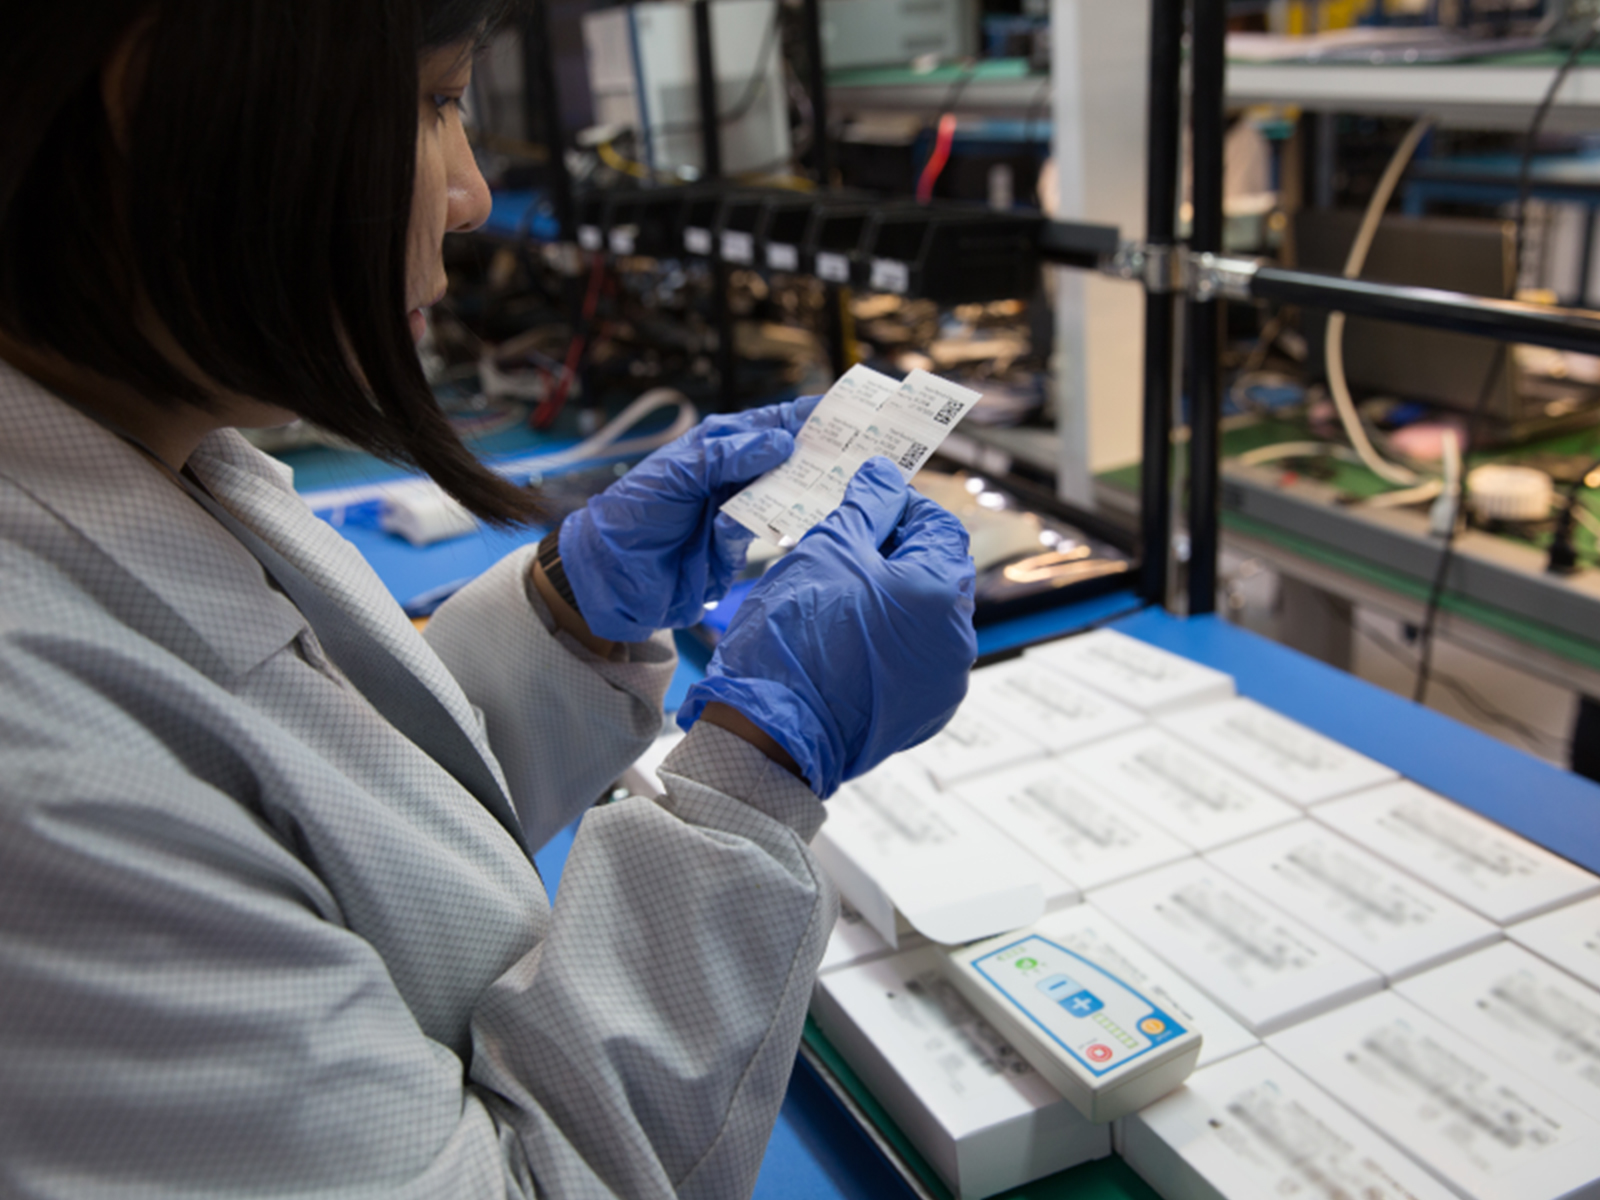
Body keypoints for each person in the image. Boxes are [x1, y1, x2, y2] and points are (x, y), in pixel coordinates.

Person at [0, 1, 977, 1196]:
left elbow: (331, 833)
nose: (467, 193)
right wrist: (761, 764)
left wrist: (570, 618)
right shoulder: (38, 775)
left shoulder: (158, 455)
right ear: (145, 88)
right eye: (435, 101)